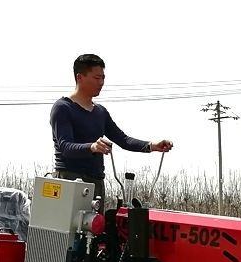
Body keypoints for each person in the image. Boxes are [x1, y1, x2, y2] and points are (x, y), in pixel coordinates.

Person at [50, 53, 173, 206]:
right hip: (69, 180)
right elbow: (65, 146)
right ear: (79, 77)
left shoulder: (100, 112)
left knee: (96, 229)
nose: (101, 83)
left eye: (103, 78)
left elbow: (123, 140)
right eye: (96, 78)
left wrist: (152, 146)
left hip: (96, 183)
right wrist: (93, 147)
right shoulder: (63, 108)